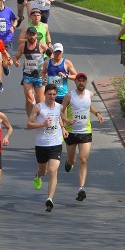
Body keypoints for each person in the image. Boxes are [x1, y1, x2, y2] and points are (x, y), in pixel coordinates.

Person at [60, 72, 105, 202]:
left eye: (83, 80)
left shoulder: (90, 94)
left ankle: (81, 188)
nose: (81, 82)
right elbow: (61, 111)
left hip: (85, 131)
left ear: (86, 82)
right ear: (75, 82)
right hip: (72, 132)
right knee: (72, 160)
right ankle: (68, 163)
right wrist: (66, 121)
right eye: (79, 80)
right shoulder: (69, 96)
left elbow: (87, 105)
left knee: (83, 160)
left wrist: (97, 113)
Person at [27, 84, 68, 213]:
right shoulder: (38, 107)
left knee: (52, 171)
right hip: (41, 145)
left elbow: (59, 117)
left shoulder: (59, 107)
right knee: (43, 171)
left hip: (55, 144)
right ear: (45, 94)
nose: (51, 97)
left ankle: (49, 199)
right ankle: (38, 175)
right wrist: (42, 124)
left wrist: (63, 128)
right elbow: (29, 125)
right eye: (49, 94)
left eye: (54, 94)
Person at [14, 27, 48, 116]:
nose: (32, 37)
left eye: (33, 35)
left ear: (36, 35)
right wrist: (16, 62)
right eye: (30, 35)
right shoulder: (23, 46)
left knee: (40, 101)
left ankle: (39, 117)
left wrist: (46, 69)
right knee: (29, 99)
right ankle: (30, 120)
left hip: (39, 76)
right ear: (27, 35)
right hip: (27, 76)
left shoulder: (42, 45)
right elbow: (16, 57)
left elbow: (51, 56)